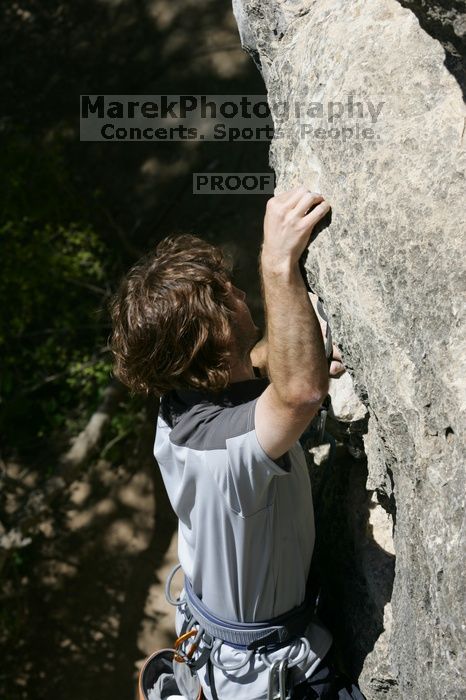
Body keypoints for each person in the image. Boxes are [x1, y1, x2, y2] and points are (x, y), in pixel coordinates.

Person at [110, 185, 366, 699]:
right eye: (232, 297)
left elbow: (254, 366)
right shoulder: (221, 455)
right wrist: (277, 262)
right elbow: (299, 393)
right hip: (270, 677)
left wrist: (292, 351)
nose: (244, 296)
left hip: (220, 637)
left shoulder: (180, 399)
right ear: (218, 338)